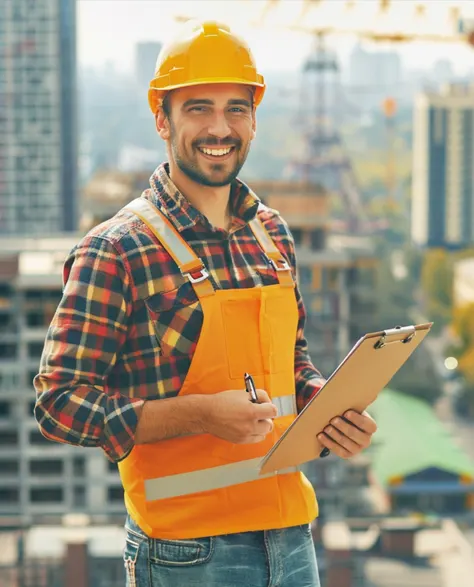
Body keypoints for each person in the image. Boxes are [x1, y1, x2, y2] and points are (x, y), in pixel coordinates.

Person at [33, 20, 377, 587]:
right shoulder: (117, 249)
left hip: (292, 537)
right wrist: (200, 415)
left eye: (236, 108)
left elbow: (290, 365)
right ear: (163, 120)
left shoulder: (272, 235)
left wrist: (328, 408)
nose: (220, 127)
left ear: (254, 119)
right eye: (199, 108)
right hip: (186, 553)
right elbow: (57, 403)